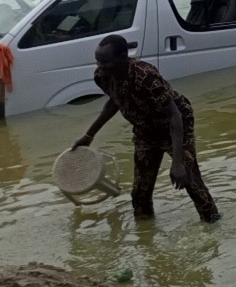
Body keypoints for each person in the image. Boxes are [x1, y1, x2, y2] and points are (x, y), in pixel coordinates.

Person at [72, 35, 220, 222]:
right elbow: (114, 103)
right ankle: (145, 237)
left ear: (123, 56)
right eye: (98, 61)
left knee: (191, 182)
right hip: (145, 130)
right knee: (140, 193)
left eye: (106, 61)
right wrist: (89, 135)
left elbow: (175, 115)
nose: (100, 66)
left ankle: (213, 227)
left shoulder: (146, 76)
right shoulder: (101, 76)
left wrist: (177, 161)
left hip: (174, 126)